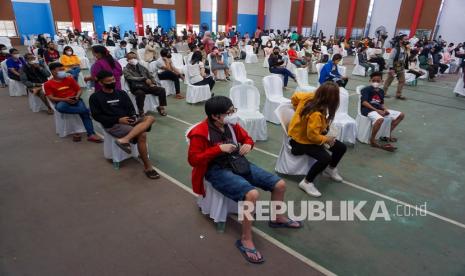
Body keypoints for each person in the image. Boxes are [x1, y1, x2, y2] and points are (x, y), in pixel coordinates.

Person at [187, 96, 302, 264]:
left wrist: (249, 144)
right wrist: (218, 149)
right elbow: (193, 160)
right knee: (252, 194)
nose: (233, 114)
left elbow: (247, 138)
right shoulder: (200, 133)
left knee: (280, 184)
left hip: (237, 163)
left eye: (233, 110)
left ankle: (277, 218)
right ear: (215, 116)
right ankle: (245, 239)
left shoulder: (231, 126)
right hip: (215, 170)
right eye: (229, 112)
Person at [89, 70, 160, 179]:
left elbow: (131, 109)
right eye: (108, 81)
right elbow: (97, 116)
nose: (112, 82)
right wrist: (118, 119)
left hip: (128, 121)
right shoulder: (95, 97)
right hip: (113, 124)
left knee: (150, 118)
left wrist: (133, 117)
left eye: (113, 79)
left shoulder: (121, 93)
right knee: (142, 135)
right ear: (101, 83)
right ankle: (148, 167)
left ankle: (125, 139)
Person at [288, 82, 347, 197]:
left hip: (308, 136)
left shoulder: (309, 96)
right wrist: (327, 139)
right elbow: (313, 137)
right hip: (300, 142)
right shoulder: (316, 113)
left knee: (341, 148)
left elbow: (294, 97)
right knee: (325, 158)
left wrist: (296, 108)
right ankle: (307, 182)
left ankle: (331, 168)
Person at [44, 62, 103, 143]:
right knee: (60, 107)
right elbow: (51, 97)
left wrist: (77, 97)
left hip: (75, 99)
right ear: (53, 71)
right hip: (62, 101)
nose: (63, 71)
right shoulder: (48, 84)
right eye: (60, 70)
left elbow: (79, 90)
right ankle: (88, 111)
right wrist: (65, 100)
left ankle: (91, 134)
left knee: (84, 113)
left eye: (63, 69)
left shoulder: (70, 79)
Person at [361, 72, 405, 152]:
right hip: (368, 110)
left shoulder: (381, 91)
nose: (376, 82)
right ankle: (372, 140)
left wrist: (385, 110)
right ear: (370, 80)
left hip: (379, 109)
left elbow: (381, 103)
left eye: (378, 81)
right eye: (374, 80)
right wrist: (377, 110)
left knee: (401, 115)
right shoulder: (366, 89)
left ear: (382, 81)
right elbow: (364, 102)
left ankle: (387, 135)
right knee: (380, 119)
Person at [123, 52, 168, 116]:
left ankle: (161, 107)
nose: (133, 59)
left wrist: (153, 82)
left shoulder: (141, 66)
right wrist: (143, 79)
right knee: (140, 93)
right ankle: (141, 111)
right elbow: (130, 78)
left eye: (134, 58)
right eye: (131, 58)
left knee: (161, 90)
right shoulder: (126, 69)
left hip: (146, 86)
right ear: (127, 60)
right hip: (136, 87)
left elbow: (150, 75)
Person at [384, 34, 409, 99]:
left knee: (402, 81)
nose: (407, 40)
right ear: (400, 40)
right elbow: (391, 58)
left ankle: (398, 94)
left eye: (407, 39)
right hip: (394, 67)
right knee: (388, 81)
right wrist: (391, 68)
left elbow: (404, 58)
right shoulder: (395, 49)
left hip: (401, 67)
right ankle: (383, 93)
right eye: (405, 39)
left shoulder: (405, 48)